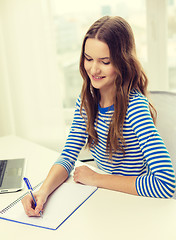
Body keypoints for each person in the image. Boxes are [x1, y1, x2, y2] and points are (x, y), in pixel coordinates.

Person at [22, 16, 176, 216]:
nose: (93, 69)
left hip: (135, 203)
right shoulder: (87, 101)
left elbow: (165, 184)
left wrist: (96, 179)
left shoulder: (135, 108)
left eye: (105, 62)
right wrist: (42, 193)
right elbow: (68, 156)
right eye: (88, 58)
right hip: (104, 197)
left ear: (123, 62)